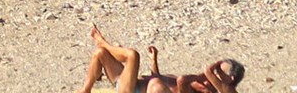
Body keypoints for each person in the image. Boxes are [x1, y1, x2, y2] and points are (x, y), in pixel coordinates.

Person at [76, 26, 245, 93]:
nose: (215, 72)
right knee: (100, 53)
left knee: (133, 55)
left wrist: (205, 73)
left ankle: (103, 42)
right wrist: (154, 61)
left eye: (219, 70)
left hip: (132, 90)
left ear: (230, 78)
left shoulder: (215, 89)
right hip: (132, 83)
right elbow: (160, 79)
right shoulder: (203, 84)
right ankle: (86, 90)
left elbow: (180, 81)